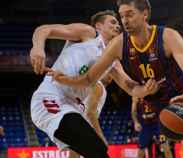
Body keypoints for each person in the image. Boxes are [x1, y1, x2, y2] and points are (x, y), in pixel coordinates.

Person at [46, 0, 183, 157]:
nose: (124, 20)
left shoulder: (168, 37)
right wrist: (65, 79)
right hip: (158, 104)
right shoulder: (118, 45)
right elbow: (90, 78)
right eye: (122, 16)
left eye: (129, 15)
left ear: (145, 14)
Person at [30, 10, 120, 158]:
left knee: (94, 151)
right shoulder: (89, 34)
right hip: (51, 97)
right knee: (96, 149)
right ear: (99, 26)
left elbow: (130, 86)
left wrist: (148, 87)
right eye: (113, 22)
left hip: (73, 106)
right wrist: (38, 48)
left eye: (118, 23)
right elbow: (44, 29)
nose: (117, 25)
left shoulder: (112, 59)